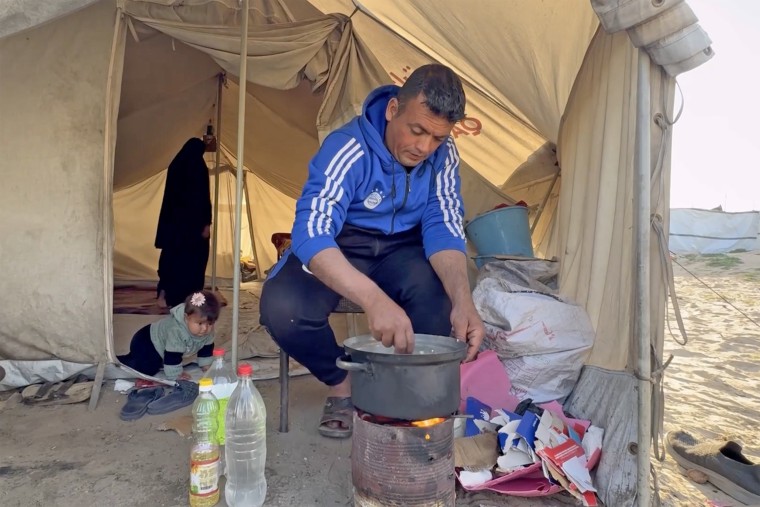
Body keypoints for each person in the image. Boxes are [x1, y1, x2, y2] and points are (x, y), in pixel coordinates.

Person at [259, 64, 486, 438]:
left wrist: (464, 300)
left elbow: (443, 225)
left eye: (437, 138)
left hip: (403, 250)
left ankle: (401, 397)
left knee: (442, 308)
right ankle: (343, 386)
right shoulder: (346, 147)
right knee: (283, 310)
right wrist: (373, 299)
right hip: (342, 244)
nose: (424, 148)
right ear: (394, 109)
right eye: (417, 131)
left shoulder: (443, 157)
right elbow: (312, 233)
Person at [154, 137, 212, 308]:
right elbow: (203, 199)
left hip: (175, 228)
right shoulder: (198, 167)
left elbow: (171, 200)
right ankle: (188, 298)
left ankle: (166, 295)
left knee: (172, 260)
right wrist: (206, 223)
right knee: (192, 262)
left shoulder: (176, 165)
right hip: (193, 229)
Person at [118, 290, 220, 380]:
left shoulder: (206, 331)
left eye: (210, 324)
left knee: (153, 362)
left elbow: (206, 348)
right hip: (147, 341)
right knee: (147, 369)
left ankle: (132, 358)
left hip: (155, 343)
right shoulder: (177, 331)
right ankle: (120, 362)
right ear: (186, 317)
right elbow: (173, 354)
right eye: (200, 323)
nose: (205, 328)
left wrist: (206, 365)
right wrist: (176, 374)